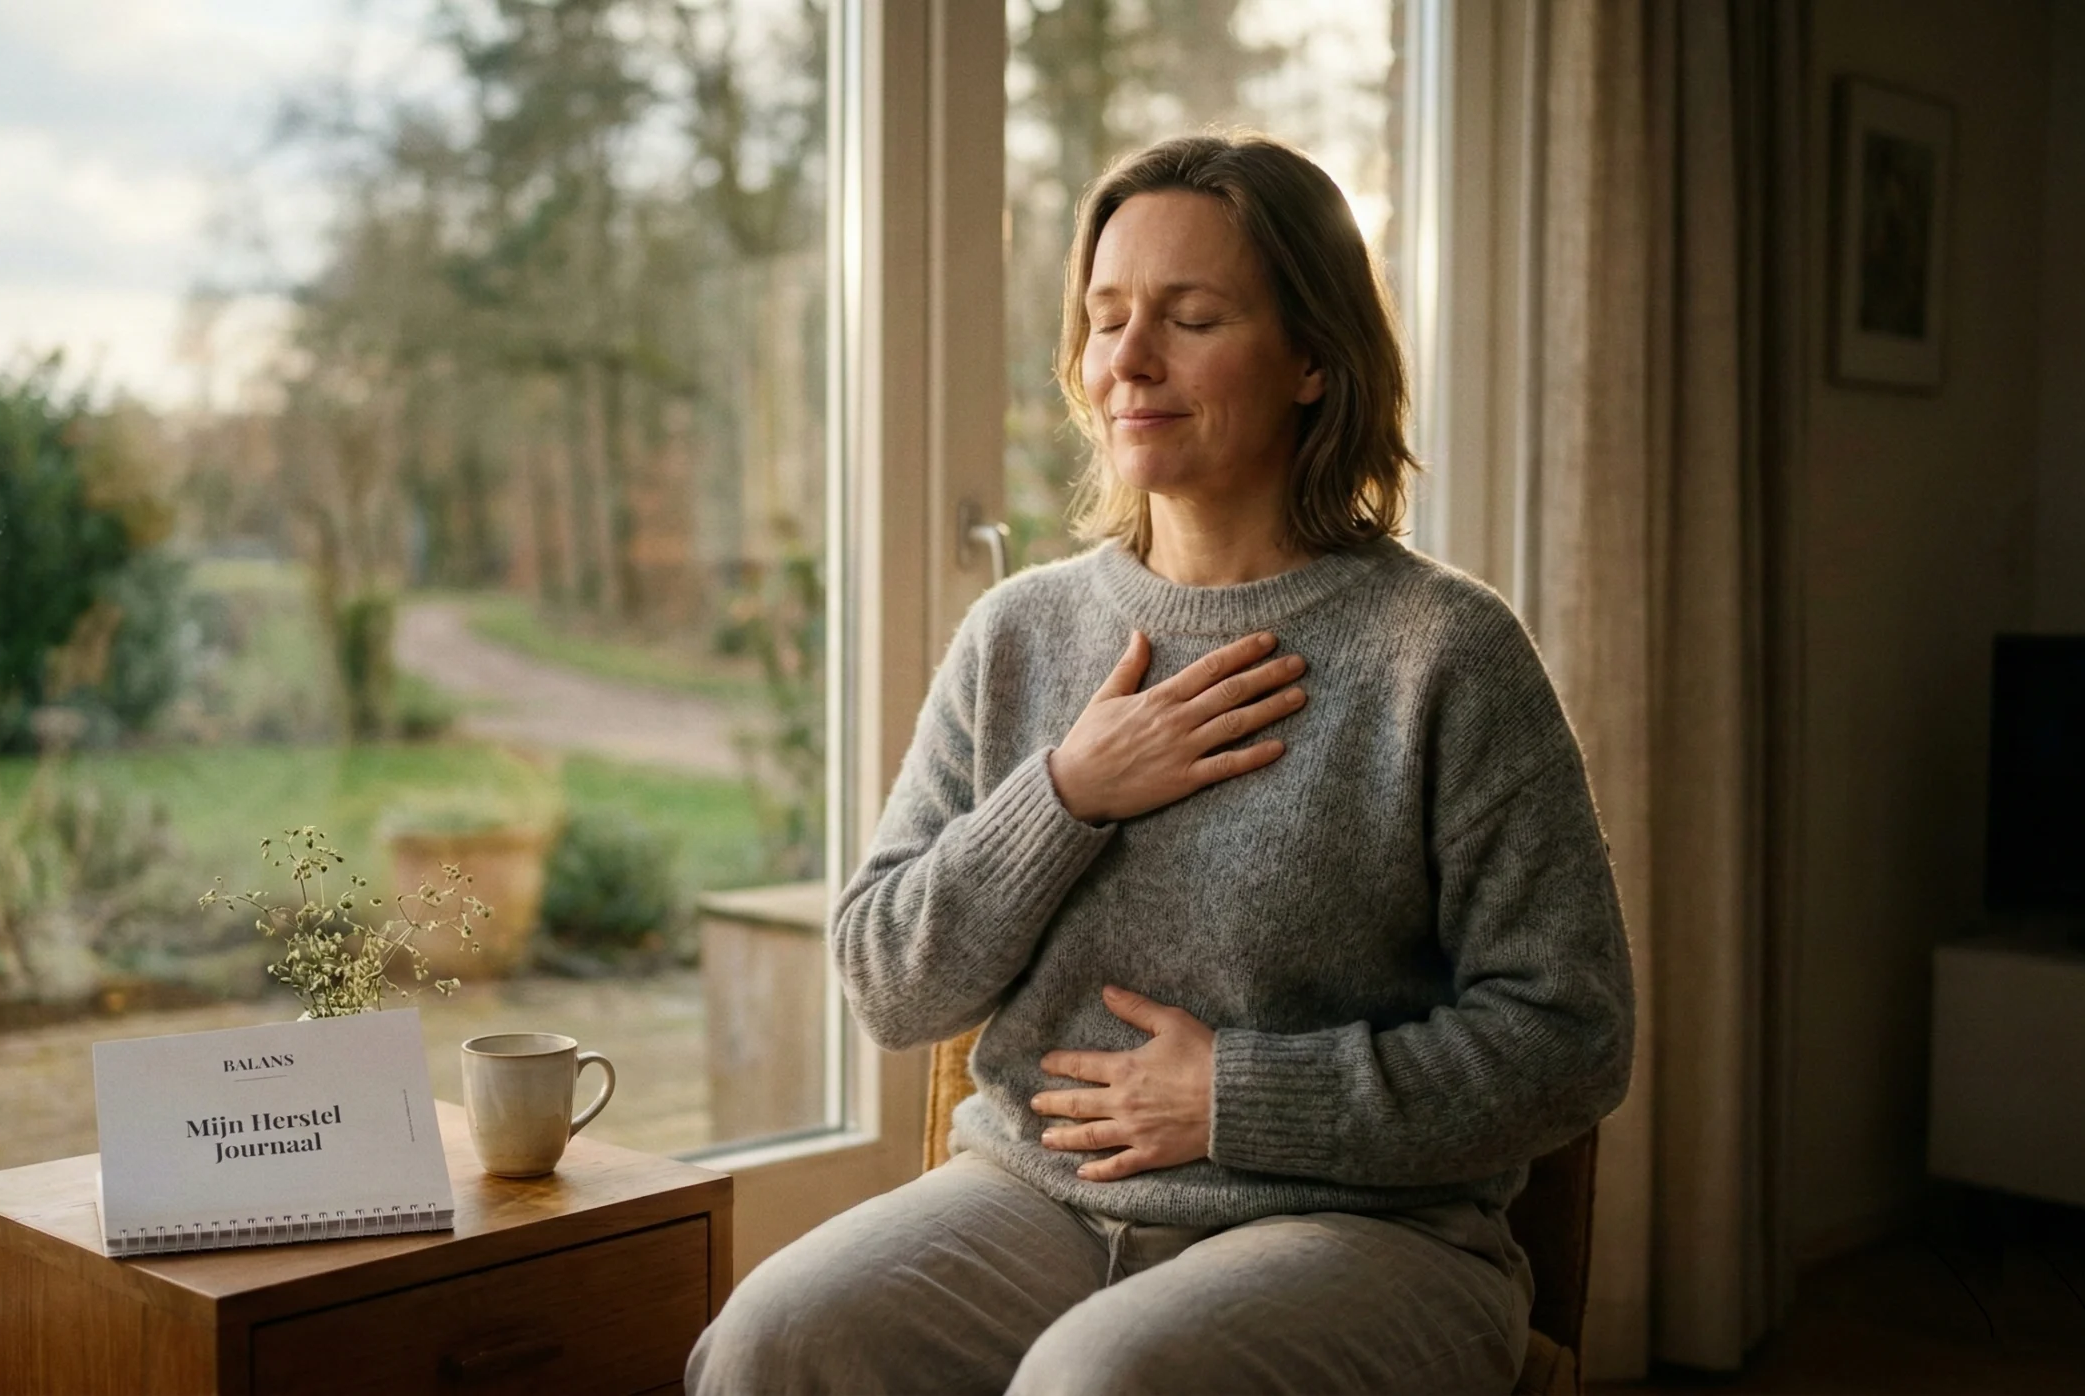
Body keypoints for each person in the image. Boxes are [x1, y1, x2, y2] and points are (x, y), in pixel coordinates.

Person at [686, 132, 1635, 1396]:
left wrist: (1240, 1097)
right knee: (774, 1336)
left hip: (1366, 1231)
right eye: (1105, 318)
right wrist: (1062, 794)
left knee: (1103, 1377)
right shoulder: (1019, 634)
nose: (1127, 360)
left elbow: (1570, 1035)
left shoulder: (1444, 651)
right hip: (1035, 1201)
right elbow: (887, 987)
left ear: (1313, 358)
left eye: (1189, 319)